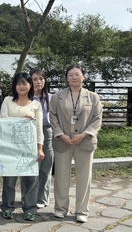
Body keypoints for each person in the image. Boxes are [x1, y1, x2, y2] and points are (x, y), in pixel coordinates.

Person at [49, 65, 102, 223]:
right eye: (70, 75)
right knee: (61, 177)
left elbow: (97, 119)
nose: (74, 77)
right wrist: (60, 134)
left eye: (77, 74)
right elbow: (52, 116)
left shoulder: (93, 97)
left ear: (83, 77)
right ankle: (60, 209)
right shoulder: (57, 96)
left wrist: (84, 134)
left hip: (84, 141)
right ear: (66, 78)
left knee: (84, 178)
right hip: (62, 141)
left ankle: (81, 211)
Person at [0, 72, 44, 222]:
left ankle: (30, 209)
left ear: (30, 85)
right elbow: (3, 121)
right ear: (14, 86)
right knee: (9, 179)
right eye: (18, 83)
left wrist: (40, 148)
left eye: (24, 83)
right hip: (10, 147)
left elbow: (39, 129)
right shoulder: (7, 101)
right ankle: (7, 207)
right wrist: (22, 120)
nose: (21, 86)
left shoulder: (36, 105)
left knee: (31, 180)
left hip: (30, 148)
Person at [30, 70, 53, 209]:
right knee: (31, 166)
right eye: (34, 79)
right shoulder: (26, 97)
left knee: (46, 166)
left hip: (47, 131)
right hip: (30, 132)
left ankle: (42, 198)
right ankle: (28, 196)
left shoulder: (51, 97)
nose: (38, 82)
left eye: (41, 79)